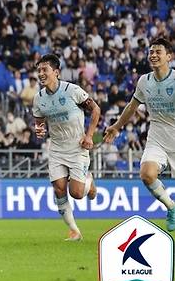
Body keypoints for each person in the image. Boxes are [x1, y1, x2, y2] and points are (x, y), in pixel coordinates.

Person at [104, 38, 175, 231]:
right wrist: (117, 126)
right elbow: (132, 106)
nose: (153, 55)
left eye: (158, 52)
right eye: (151, 52)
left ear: (169, 56)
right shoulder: (144, 81)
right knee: (146, 174)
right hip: (157, 137)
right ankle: (171, 207)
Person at [32, 53, 100, 241]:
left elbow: (95, 109)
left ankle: (89, 183)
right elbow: (39, 120)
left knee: (77, 193)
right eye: (39, 70)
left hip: (77, 145)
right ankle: (74, 231)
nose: (41, 74)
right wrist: (39, 130)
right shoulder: (38, 98)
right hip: (56, 148)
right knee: (59, 188)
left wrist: (89, 135)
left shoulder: (72, 91)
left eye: (45, 70)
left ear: (56, 72)